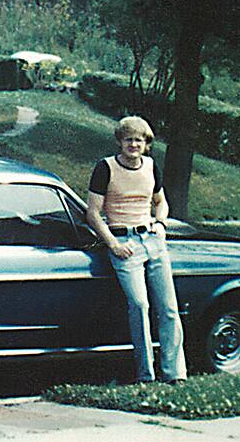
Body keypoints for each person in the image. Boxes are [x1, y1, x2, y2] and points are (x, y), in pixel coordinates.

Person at [86, 116, 187, 384]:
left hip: (152, 240)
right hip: (124, 244)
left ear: (147, 144)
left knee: (168, 308)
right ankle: (146, 374)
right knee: (140, 305)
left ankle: (175, 373)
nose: (133, 144)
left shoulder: (152, 167)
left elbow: (161, 201)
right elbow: (93, 214)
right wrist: (114, 245)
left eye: (139, 140)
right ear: (120, 141)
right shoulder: (105, 168)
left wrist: (161, 224)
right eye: (128, 139)